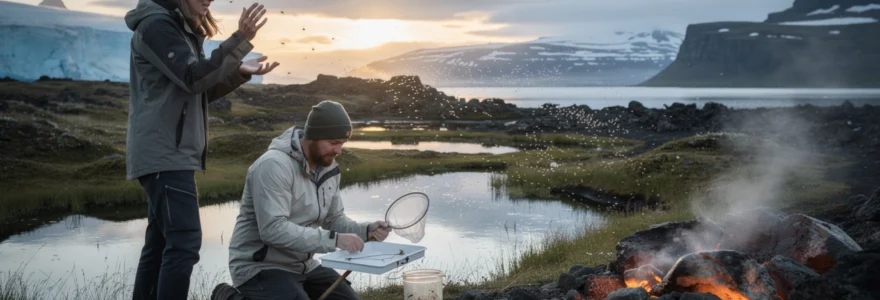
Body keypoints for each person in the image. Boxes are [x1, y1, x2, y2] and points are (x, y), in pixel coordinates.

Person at [124, 0, 279, 298]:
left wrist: (239, 73)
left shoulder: (177, 27)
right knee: (184, 241)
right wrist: (240, 38)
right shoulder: (158, 26)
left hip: (170, 152)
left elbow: (198, 90)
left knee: (159, 245)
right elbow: (193, 78)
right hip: (166, 153)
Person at [211, 101, 392, 300]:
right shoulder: (273, 165)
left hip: (304, 266)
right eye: (333, 143)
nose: (338, 150)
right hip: (260, 266)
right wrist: (336, 240)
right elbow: (273, 230)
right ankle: (228, 297)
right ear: (313, 135)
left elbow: (334, 220)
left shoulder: (329, 169)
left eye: (342, 143)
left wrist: (366, 230)